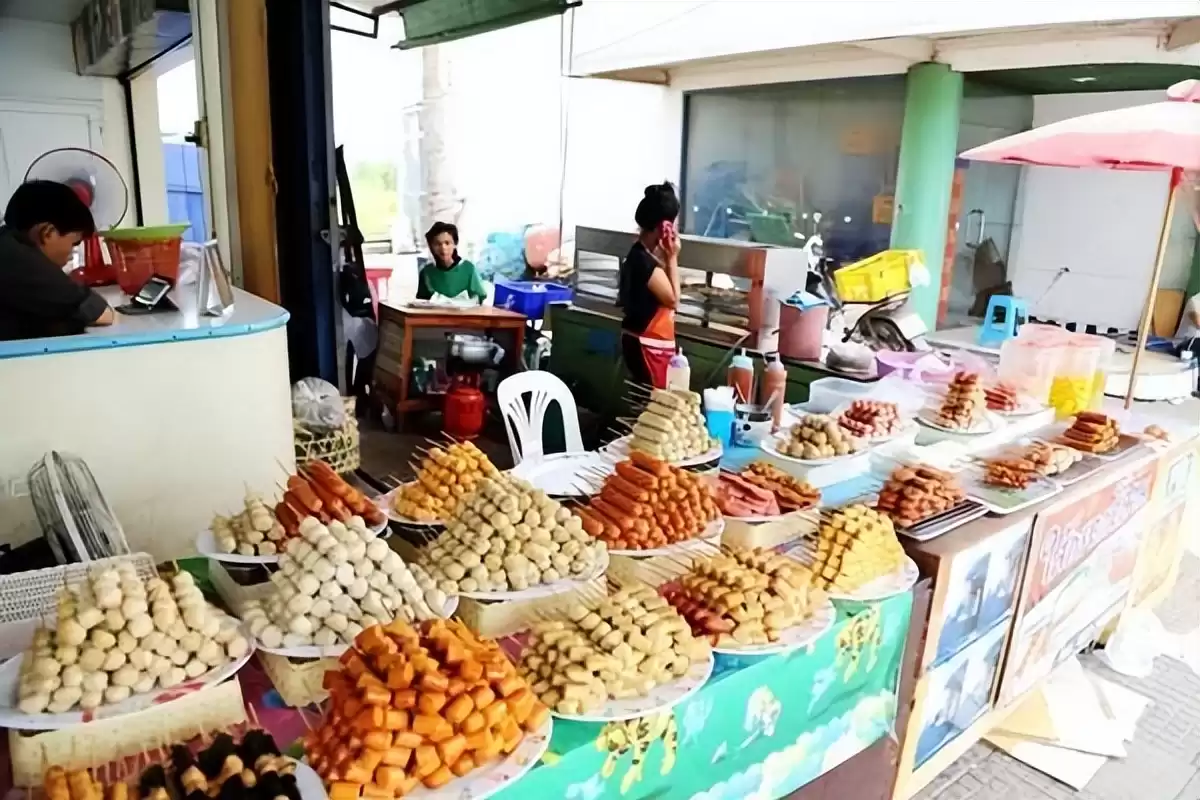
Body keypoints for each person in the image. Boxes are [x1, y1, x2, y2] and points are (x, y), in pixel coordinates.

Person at [0, 180, 114, 341]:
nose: (71, 253)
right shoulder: (18, 260)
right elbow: (102, 315)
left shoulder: (7, 244)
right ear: (48, 233)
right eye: (74, 243)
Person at [618, 182, 681, 388]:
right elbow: (673, 300)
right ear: (665, 226)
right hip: (645, 346)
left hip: (639, 342)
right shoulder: (643, 261)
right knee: (650, 407)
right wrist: (672, 257)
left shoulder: (640, 256)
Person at [417, 221, 487, 303]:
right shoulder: (426, 273)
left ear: (455, 244)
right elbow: (421, 303)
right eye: (437, 244)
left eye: (447, 243)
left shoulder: (468, 269)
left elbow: (480, 298)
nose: (443, 248)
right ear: (431, 246)